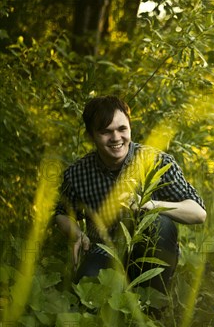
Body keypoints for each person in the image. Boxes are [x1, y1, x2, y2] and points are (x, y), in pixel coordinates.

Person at [55, 95, 206, 290]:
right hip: (103, 251)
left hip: (148, 252)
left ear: (130, 127)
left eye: (122, 129)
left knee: (160, 223)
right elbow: (61, 212)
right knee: (85, 289)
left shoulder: (157, 162)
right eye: (105, 132)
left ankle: (152, 310)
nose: (116, 138)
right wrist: (75, 233)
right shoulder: (78, 173)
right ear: (91, 136)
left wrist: (148, 205)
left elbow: (198, 213)